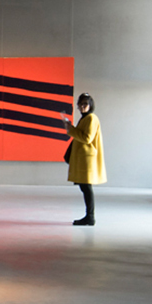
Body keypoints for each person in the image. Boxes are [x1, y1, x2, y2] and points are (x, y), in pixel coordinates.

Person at [66, 93, 105, 225]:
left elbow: (87, 138)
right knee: (85, 188)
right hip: (84, 158)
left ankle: (90, 216)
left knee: (86, 188)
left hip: (87, 159)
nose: (82, 106)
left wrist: (71, 130)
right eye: (80, 104)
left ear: (90, 105)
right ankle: (89, 216)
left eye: (85, 104)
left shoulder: (91, 118)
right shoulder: (85, 118)